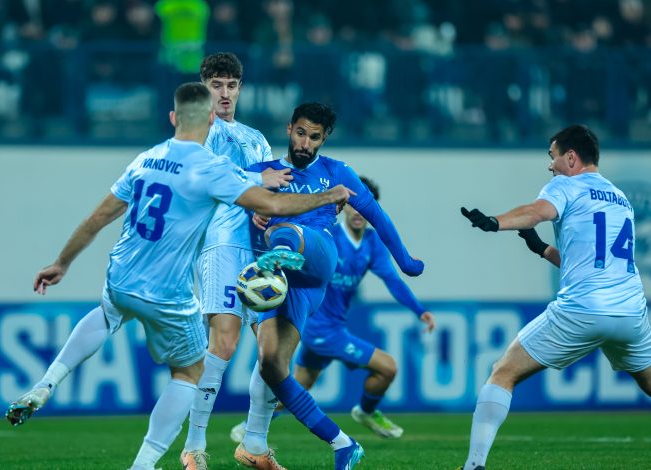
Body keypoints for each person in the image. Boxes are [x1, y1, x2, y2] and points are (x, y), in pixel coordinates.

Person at [3, 82, 354, 470]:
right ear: (209, 120)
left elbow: (98, 216)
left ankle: (47, 382)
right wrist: (325, 196)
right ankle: (150, 463)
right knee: (191, 373)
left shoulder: (145, 159)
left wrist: (62, 263)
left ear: (173, 118)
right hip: (168, 290)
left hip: (122, 273)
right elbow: (271, 202)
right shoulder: (209, 168)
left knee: (106, 315)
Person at [236, 102, 425, 470]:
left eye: (315, 137)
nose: (306, 143)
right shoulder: (262, 173)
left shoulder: (337, 173)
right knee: (271, 364)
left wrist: (405, 261)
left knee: (282, 226)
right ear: (290, 129)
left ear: (325, 139)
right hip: (288, 287)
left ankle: (277, 253)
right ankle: (343, 443)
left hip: (318, 256)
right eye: (301, 133)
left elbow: (377, 216)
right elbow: (217, 188)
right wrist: (251, 202)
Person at [459, 124, 651, 470]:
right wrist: (543, 249)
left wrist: (494, 222)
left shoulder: (566, 184)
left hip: (583, 310)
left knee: (503, 372)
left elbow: (536, 212)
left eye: (553, 156)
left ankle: (474, 466)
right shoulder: (620, 198)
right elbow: (596, 262)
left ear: (571, 158)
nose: (550, 165)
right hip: (630, 311)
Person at [230, 176, 436, 444]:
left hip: (335, 325)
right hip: (320, 328)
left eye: (365, 208)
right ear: (343, 207)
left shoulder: (372, 244)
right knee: (388, 368)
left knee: (296, 386)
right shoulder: (328, 238)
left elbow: (393, 281)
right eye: (353, 206)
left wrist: (419, 311)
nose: (358, 213)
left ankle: (249, 425)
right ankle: (365, 411)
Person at [181, 51, 289, 470]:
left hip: (259, 248)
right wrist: (253, 185)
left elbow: (271, 189)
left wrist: (269, 205)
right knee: (224, 343)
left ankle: (255, 445)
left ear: (240, 88)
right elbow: (201, 183)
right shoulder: (198, 133)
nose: (224, 94)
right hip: (221, 243)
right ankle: (193, 447)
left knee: (274, 353)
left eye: (231, 86)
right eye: (216, 85)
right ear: (204, 87)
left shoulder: (256, 137)